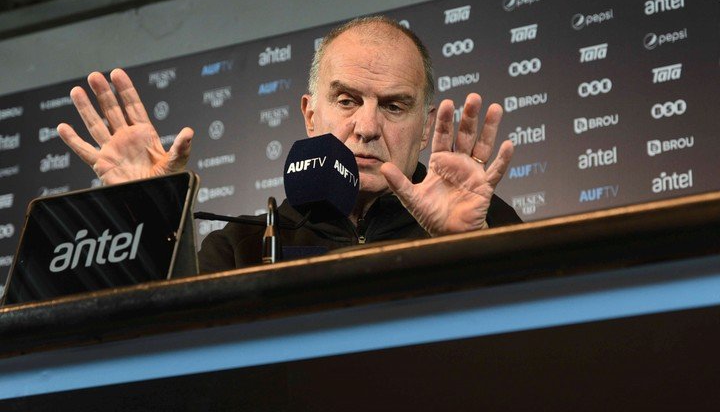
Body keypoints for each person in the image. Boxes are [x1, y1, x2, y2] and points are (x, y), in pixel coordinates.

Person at [58, 16, 521, 272]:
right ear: (310, 115)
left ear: (424, 129)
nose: (366, 126)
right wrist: (146, 208)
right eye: (346, 100)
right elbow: (157, 351)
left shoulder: (485, 222)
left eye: (395, 106)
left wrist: (469, 247)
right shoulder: (240, 246)